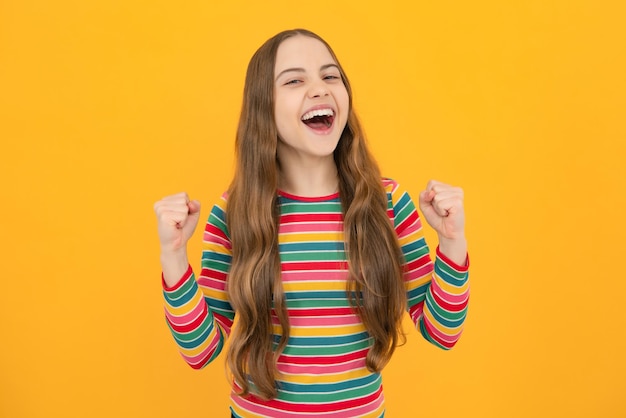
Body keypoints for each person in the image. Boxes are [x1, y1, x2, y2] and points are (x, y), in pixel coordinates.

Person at [154, 28, 469, 418]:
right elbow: (201, 351)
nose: (319, 89)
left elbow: (443, 331)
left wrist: (452, 241)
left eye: (330, 75)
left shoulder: (387, 205)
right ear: (263, 107)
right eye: (294, 80)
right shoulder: (235, 213)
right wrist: (173, 255)